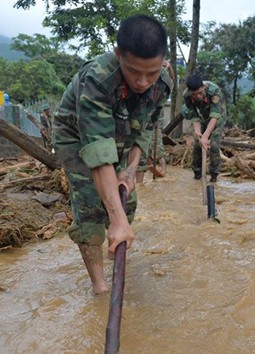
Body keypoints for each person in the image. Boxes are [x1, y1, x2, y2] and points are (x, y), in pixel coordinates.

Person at [52, 14, 173, 295]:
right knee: (91, 207)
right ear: (118, 55)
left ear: (163, 62)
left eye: (151, 73)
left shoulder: (162, 83)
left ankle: (116, 252)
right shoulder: (97, 79)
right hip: (76, 135)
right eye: (134, 72)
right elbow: (97, 151)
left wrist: (130, 169)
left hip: (122, 130)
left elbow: (144, 129)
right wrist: (116, 221)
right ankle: (99, 286)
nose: (143, 82)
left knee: (125, 201)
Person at [181, 75, 226, 182]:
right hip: (203, 114)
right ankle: (197, 173)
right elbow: (194, 115)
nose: (198, 96)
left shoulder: (214, 91)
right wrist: (198, 132)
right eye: (195, 94)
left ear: (204, 88)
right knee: (197, 141)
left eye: (200, 93)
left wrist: (206, 136)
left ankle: (214, 175)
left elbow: (215, 116)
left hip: (217, 115)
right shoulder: (186, 95)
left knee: (214, 143)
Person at [136, 60, 174, 183]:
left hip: (154, 119)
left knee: (157, 147)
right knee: (142, 149)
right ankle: (139, 183)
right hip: (141, 118)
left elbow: (172, 80)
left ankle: (163, 171)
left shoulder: (164, 84)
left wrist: (169, 67)